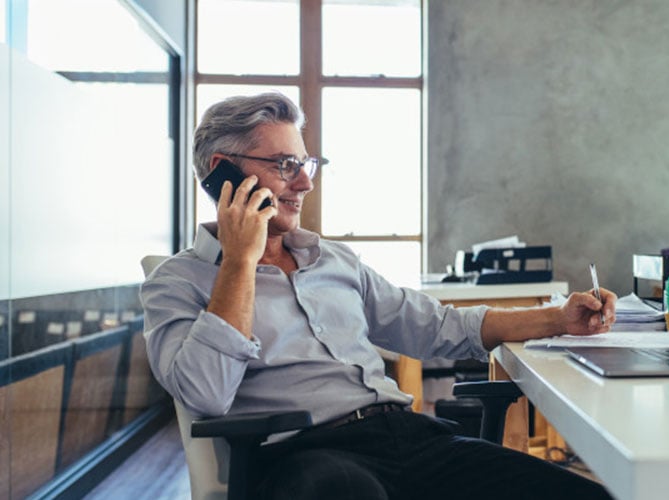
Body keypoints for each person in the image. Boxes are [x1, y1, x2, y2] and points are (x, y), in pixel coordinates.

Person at [141, 92, 618, 500]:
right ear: (222, 174)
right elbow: (205, 392)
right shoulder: (177, 282)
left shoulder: (334, 261)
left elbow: (442, 327)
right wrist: (241, 261)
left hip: (410, 438)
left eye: (305, 165)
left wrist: (560, 318)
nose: (305, 183)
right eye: (286, 165)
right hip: (306, 457)